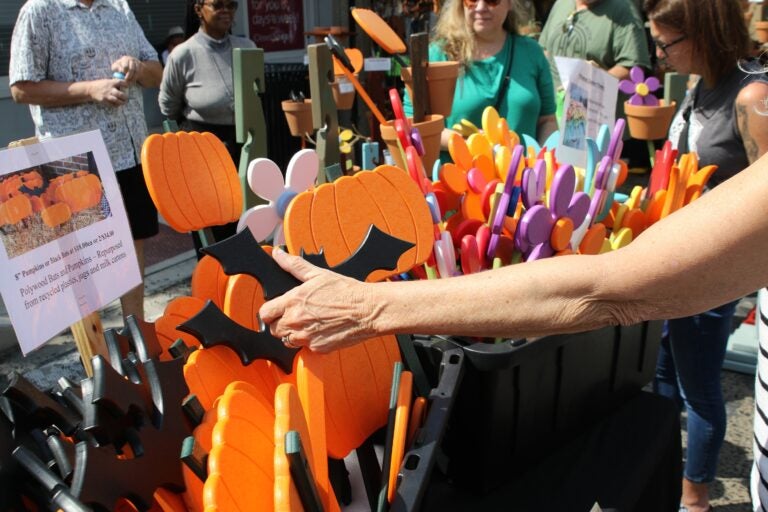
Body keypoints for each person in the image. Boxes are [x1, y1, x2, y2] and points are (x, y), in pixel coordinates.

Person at [644, 1, 768, 510]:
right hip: (674, 264)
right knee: (664, 379)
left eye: (666, 43)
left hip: (712, 275)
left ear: (702, 32)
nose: (659, 54)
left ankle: (695, 499)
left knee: (699, 388)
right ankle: (668, 481)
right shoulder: (703, 84)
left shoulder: (754, 95)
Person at [9, 0, 163, 322]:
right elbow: (22, 88)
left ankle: (136, 338)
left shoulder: (118, 7)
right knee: (82, 260)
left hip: (128, 150)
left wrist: (138, 66)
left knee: (133, 241)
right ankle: (95, 353)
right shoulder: (40, 11)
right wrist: (91, 89)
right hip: (73, 164)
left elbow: (157, 72)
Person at [158, 0, 255, 254]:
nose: (227, 10)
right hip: (204, 150)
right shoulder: (183, 54)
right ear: (199, 9)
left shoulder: (247, 48)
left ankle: (246, 283)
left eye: (232, 4)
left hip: (246, 144)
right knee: (212, 225)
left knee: (247, 220)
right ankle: (215, 282)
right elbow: (168, 107)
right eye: (218, 4)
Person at [404, 0, 558, 149]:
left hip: (523, 174)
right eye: (472, 0)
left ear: (510, 3)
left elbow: (547, 120)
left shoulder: (531, 52)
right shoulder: (437, 56)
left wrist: (542, 159)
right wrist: (471, 144)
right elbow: (415, 128)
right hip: (457, 174)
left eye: (492, 0)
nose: (481, 7)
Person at [538, 0, 650, 84]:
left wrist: (589, 85)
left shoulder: (623, 10)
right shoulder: (561, 3)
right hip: (551, 110)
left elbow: (632, 69)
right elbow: (544, 51)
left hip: (594, 111)